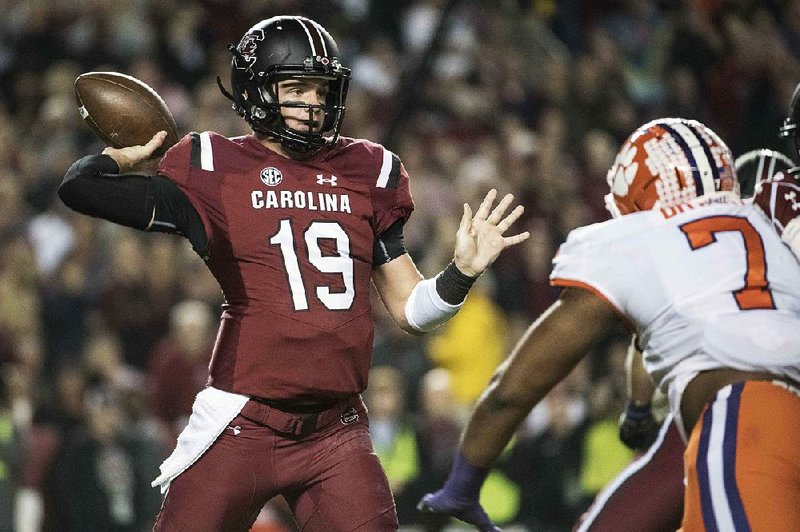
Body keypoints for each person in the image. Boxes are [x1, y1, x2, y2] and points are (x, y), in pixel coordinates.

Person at [58, 15, 529, 531]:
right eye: (297, 87)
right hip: (243, 421)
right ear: (258, 91)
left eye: (322, 89)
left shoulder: (367, 169)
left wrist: (460, 273)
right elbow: (81, 189)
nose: (314, 103)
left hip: (335, 429)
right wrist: (120, 158)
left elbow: (411, 310)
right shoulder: (215, 166)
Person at [418, 117, 800, 531]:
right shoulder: (768, 224)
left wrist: (462, 482)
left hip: (750, 422)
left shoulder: (638, 238)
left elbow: (514, 389)